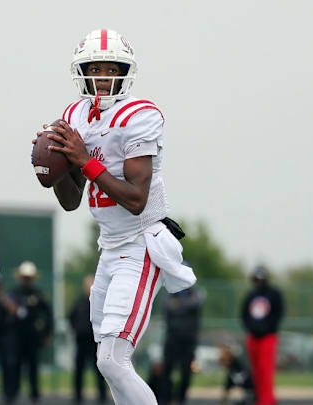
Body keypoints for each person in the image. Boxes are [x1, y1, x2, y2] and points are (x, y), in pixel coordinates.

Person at [35, 29, 196, 405]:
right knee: (105, 359)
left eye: (111, 69)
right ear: (83, 72)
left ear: (125, 72)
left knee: (113, 360)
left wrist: (83, 160)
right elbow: (71, 200)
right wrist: (54, 166)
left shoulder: (140, 115)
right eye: (96, 69)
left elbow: (137, 198)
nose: (103, 77)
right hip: (108, 249)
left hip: (142, 244)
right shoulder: (74, 115)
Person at [4, 261, 52, 403]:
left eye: (29, 277)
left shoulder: (38, 294)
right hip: (16, 337)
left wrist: (47, 333)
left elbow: (47, 315)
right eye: (24, 277)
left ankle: (34, 394)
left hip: (33, 337)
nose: (26, 280)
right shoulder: (13, 294)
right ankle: (12, 394)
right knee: (14, 365)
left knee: (33, 365)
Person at [240, 265, 283, 405]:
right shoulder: (251, 295)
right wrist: (252, 328)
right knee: (256, 372)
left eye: (260, 279)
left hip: (268, 337)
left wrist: (266, 328)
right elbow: (244, 315)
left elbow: (278, 314)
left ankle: (267, 401)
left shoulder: (274, 294)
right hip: (253, 338)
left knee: (266, 371)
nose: (258, 282)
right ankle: (258, 398)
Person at [162, 285, 204, 404]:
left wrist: (178, 304)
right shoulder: (170, 292)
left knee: (186, 373)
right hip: (171, 339)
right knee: (167, 371)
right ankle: (166, 399)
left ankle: (181, 399)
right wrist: (184, 305)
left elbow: (196, 303)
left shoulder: (196, 292)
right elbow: (166, 305)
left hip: (188, 341)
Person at [69, 275, 107, 404]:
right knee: (79, 369)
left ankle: (102, 396)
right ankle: (78, 396)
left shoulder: (101, 303)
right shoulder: (79, 302)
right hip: (81, 340)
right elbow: (71, 317)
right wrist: (75, 329)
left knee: (99, 369)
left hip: (95, 341)